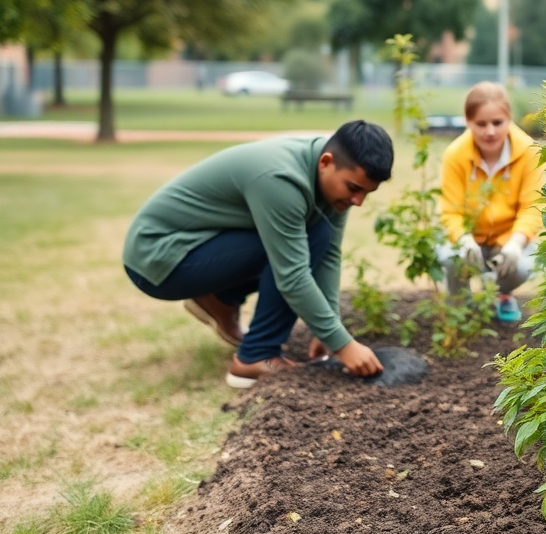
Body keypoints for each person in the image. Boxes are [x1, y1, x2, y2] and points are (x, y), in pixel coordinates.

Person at [123, 120, 392, 388]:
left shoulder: (330, 172)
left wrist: (330, 329)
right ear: (326, 162)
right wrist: (343, 345)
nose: (359, 201)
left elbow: (329, 253)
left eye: (367, 192)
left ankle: (219, 299)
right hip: (157, 259)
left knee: (317, 234)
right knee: (300, 244)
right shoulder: (281, 179)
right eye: (354, 188)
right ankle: (256, 356)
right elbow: (293, 276)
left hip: (195, 246)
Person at [437, 82, 543, 323]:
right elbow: (450, 212)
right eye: (481, 124)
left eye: (497, 122)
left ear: (509, 118)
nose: (490, 131)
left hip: (508, 238)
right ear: (467, 121)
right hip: (469, 237)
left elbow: (532, 207)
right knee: (450, 257)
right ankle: (460, 305)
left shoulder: (529, 151)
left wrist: (515, 243)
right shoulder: (455, 155)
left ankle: (501, 293)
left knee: (522, 267)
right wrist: (464, 240)